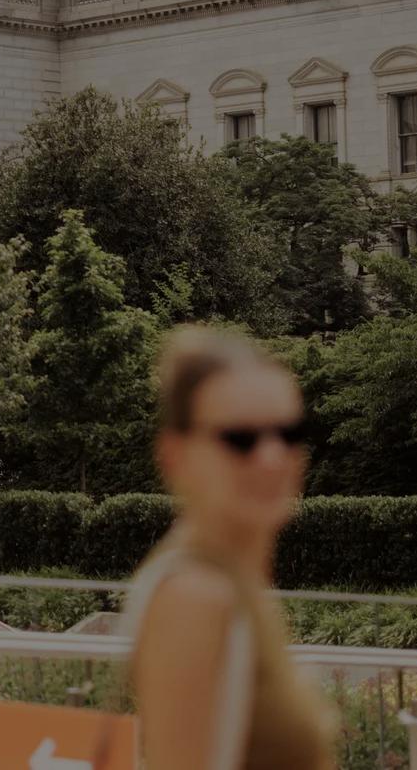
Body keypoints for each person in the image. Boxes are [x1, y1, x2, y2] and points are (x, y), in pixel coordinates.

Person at [124, 328, 333, 770]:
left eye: (289, 433)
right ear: (175, 457)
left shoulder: (233, 578)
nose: (272, 456)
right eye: (240, 439)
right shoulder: (195, 596)